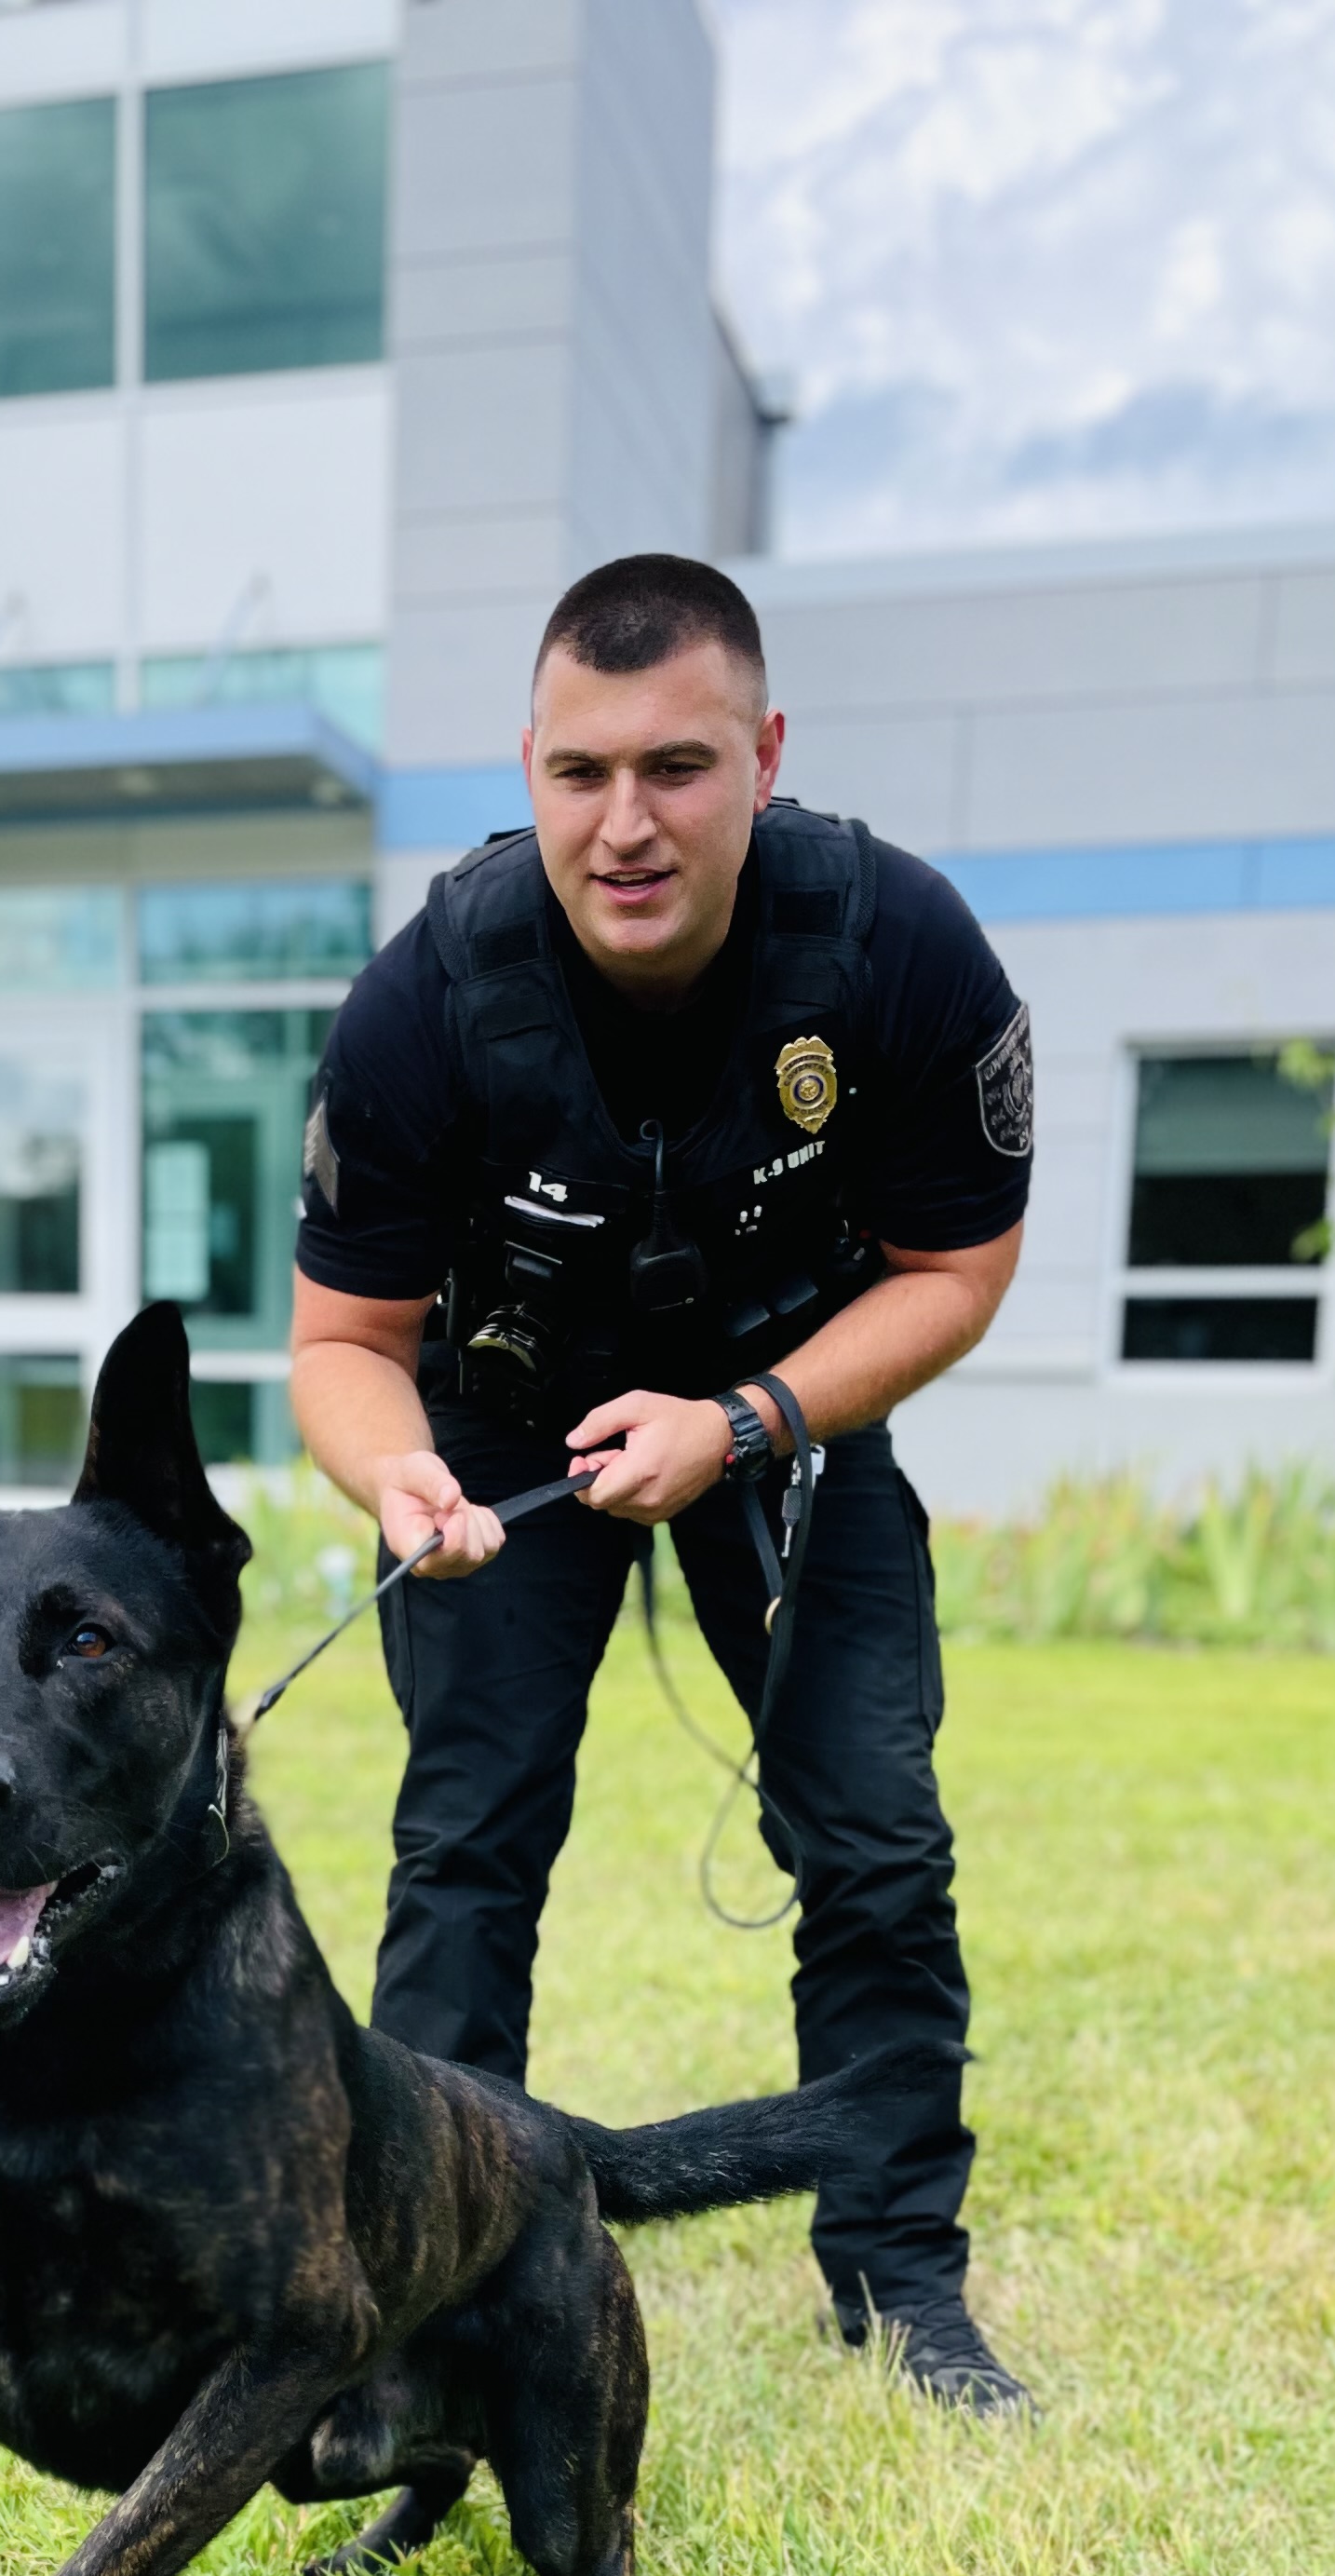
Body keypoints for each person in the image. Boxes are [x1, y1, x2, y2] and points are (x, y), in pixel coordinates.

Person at [289, 550, 1035, 2414]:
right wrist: (404, 1488)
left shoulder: (896, 951)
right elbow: (341, 1344)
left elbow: (956, 1274)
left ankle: (901, 2283)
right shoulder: (426, 1001)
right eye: (581, 772)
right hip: (502, 1421)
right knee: (464, 1862)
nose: (627, 825)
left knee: (875, 1843)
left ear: (764, 755)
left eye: (679, 768)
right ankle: (424, 2333)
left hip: (786, 1405)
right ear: (527, 762)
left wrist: (753, 1418)